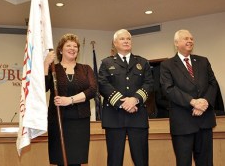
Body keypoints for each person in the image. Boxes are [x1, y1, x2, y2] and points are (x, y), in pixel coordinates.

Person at [160, 29, 218, 166]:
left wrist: (204, 102)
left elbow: (213, 84)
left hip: (204, 121)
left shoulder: (203, 61)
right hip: (182, 123)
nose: (190, 41)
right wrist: (192, 102)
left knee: (206, 162)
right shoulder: (167, 65)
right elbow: (168, 89)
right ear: (176, 43)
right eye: (186, 38)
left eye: (191, 38)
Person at [98, 29, 153, 166]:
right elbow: (103, 84)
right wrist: (122, 103)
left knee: (141, 160)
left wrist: (135, 99)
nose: (126, 41)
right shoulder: (106, 63)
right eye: (122, 39)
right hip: (114, 117)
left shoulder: (143, 62)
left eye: (128, 38)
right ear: (115, 43)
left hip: (137, 116)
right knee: (114, 160)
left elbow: (149, 83)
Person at [44, 33, 97, 166]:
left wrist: (70, 100)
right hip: (58, 121)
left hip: (80, 123)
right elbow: (42, 88)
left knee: (76, 160)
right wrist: (45, 64)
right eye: (68, 45)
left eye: (75, 46)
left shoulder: (86, 69)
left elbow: (92, 90)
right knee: (62, 161)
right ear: (61, 50)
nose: (72, 48)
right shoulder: (53, 69)